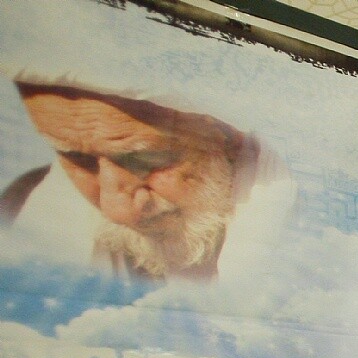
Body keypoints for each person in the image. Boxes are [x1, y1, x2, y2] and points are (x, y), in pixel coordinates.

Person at [2, 78, 294, 282]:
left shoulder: (307, 243)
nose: (117, 211)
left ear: (227, 135)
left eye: (143, 160)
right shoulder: (18, 207)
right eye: (78, 159)